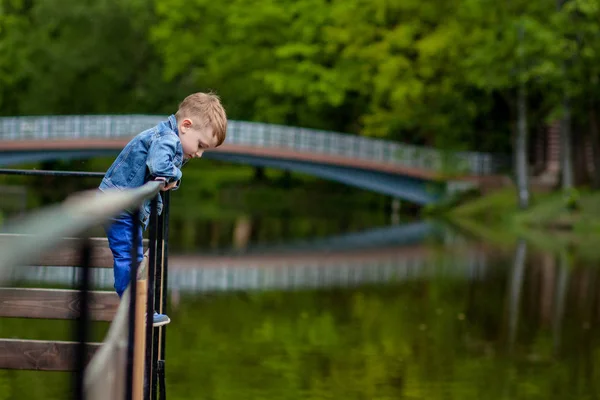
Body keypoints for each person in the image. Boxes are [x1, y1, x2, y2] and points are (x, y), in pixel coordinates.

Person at [99, 92, 227, 326]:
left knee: (132, 256)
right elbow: (159, 166)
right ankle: (135, 310)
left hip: (123, 204)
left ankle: (138, 308)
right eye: (200, 145)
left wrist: (169, 179)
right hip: (120, 205)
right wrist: (175, 175)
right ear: (186, 126)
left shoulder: (167, 136)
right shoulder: (167, 139)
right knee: (129, 257)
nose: (199, 154)